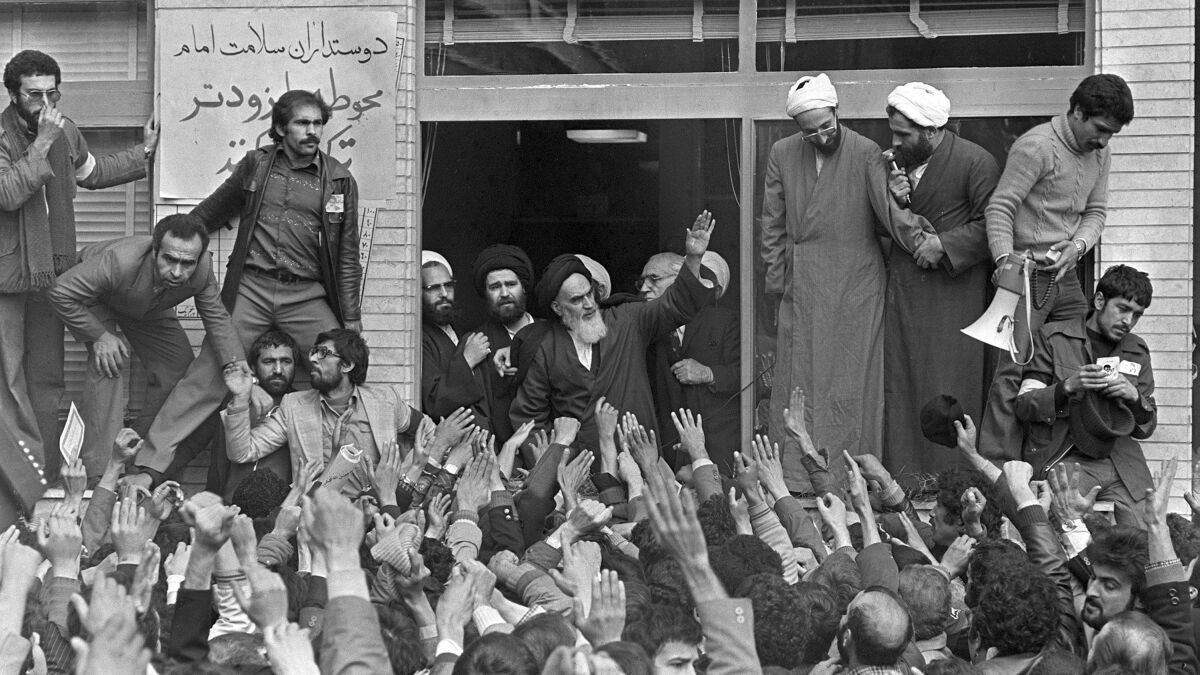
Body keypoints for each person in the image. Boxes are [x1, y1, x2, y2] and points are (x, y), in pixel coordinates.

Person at [126, 89, 362, 488]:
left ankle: (352, 475)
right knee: (206, 378)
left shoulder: (338, 179)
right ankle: (148, 470)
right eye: (303, 123)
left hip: (306, 294)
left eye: (318, 123)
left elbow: (347, 253)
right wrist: (166, 249)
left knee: (340, 366)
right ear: (281, 128)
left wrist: (351, 319)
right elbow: (211, 212)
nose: (313, 131)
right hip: (252, 288)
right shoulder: (257, 166)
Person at [758, 73, 939, 488]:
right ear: (798, 129)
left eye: (827, 126)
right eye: (811, 132)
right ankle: (797, 477)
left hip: (856, 284)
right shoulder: (782, 153)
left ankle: (852, 475)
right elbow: (772, 225)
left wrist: (927, 241)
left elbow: (889, 213)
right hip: (803, 286)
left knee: (852, 381)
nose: (821, 137)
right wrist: (777, 286)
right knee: (799, 380)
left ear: (837, 113)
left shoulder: (866, 151)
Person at [0, 49, 157, 476]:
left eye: (51, 94)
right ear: (12, 95)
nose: (44, 104)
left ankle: (43, 476)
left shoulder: (65, 130)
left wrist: (143, 152)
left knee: (46, 379)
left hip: (52, 274)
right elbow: (8, 194)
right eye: (34, 95)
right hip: (8, 279)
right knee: (9, 384)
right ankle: (13, 485)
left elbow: (91, 173)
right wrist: (42, 142)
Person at [980, 73, 1135, 460]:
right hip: (1024, 276)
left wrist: (1077, 247)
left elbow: (1096, 213)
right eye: (1101, 129)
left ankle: (1063, 457)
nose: (1104, 141)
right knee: (1013, 370)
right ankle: (997, 469)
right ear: (1078, 112)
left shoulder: (1101, 153)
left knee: (1084, 354)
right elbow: (1000, 208)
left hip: (1065, 277)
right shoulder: (1036, 146)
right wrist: (1005, 262)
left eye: (1112, 134)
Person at [47, 214, 242, 479]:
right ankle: (98, 473)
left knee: (177, 368)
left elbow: (217, 318)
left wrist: (236, 366)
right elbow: (60, 292)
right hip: (94, 296)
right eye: (169, 259)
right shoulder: (118, 261)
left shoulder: (203, 270)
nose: (177, 272)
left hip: (145, 302)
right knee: (110, 363)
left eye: (187, 263)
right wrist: (99, 335)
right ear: (154, 251)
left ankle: (134, 454)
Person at [510, 212, 716, 454]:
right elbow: (530, 419)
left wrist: (693, 258)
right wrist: (557, 460)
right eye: (576, 300)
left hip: (640, 458)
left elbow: (676, 304)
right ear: (557, 308)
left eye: (589, 293)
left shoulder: (627, 320)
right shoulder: (546, 348)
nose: (589, 304)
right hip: (582, 466)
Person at [880, 82, 1001, 474]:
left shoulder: (976, 162)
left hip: (955, 299)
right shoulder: (894, 165)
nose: (894, 141)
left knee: (950, 384)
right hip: (905, 295)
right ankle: (906, 478)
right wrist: (894, 199)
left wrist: (945, 245)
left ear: (931, 131)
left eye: (903, 134)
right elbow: (884, 225)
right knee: (903, 385)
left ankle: (953, 480)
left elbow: (996, 226)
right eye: (894, 132)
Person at [1014, 265, 1156, 525]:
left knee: (1150, 529)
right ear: (1100, 300)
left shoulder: (1137, 350)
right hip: (1066, 455)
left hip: (1121, 461)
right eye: (1122, 309)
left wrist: (1135, 398)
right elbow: (1024, 405)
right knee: (1066, 525)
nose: (1128, 321)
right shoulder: (1054, 337)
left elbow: (1147, 425)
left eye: (1137, 315)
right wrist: (1066, 387)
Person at [221, 328, 419, 495]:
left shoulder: (386, 399)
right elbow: (242, 452)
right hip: (318, 515)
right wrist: (240, 397)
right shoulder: (294, 406)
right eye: (313, 352)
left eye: (323, 353)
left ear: (347, 365)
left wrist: (409, 481)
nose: (313, 359)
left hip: (379, 513)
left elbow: (429, 432)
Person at [645, 250, 740, 470]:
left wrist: (708, 373)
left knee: (714, 489)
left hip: (715, 443)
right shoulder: (650, 324)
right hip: (668, 446)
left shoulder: (726, 322)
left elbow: (746, 376)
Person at [211, 328, 301, 496]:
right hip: (232, 504)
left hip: (282, 507)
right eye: (268, 361)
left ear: (295, 366)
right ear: (253, 367)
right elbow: (219, 462)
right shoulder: (236, 401)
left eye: (286, 361)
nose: (278, 370)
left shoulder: (302, 406)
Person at [471, 244, 535, 443]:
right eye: (495, 287)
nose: (504, 293)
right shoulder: (476, 342)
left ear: (524, 287)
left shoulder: (550, 333)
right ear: (485, 293)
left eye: (511, 284)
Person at [420, 250, 489, 424]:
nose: (444, 293)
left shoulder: (459, 329)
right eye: (433, 288)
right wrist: (467, 360)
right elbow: (434, 402)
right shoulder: (418, 338)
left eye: (448, 285)